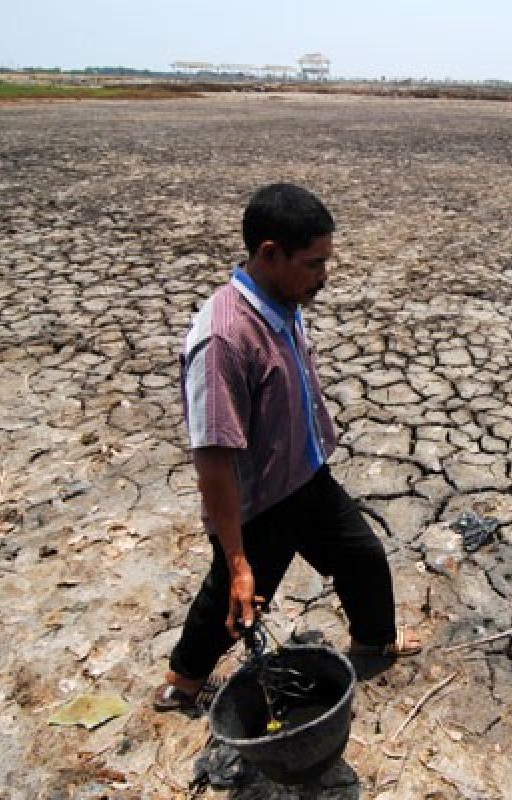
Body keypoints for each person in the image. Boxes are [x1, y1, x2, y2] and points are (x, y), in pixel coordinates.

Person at [155, 183, 420, 711]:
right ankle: (181, 685)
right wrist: (236, 557)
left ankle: (373, 641)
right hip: (260, 505)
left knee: (363, 558)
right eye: (314, 263)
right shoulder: (223, 339)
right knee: (235, 602)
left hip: (307, 477)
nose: (323, 276)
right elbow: (212, 459)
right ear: (269, 254)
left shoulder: (282, 298)